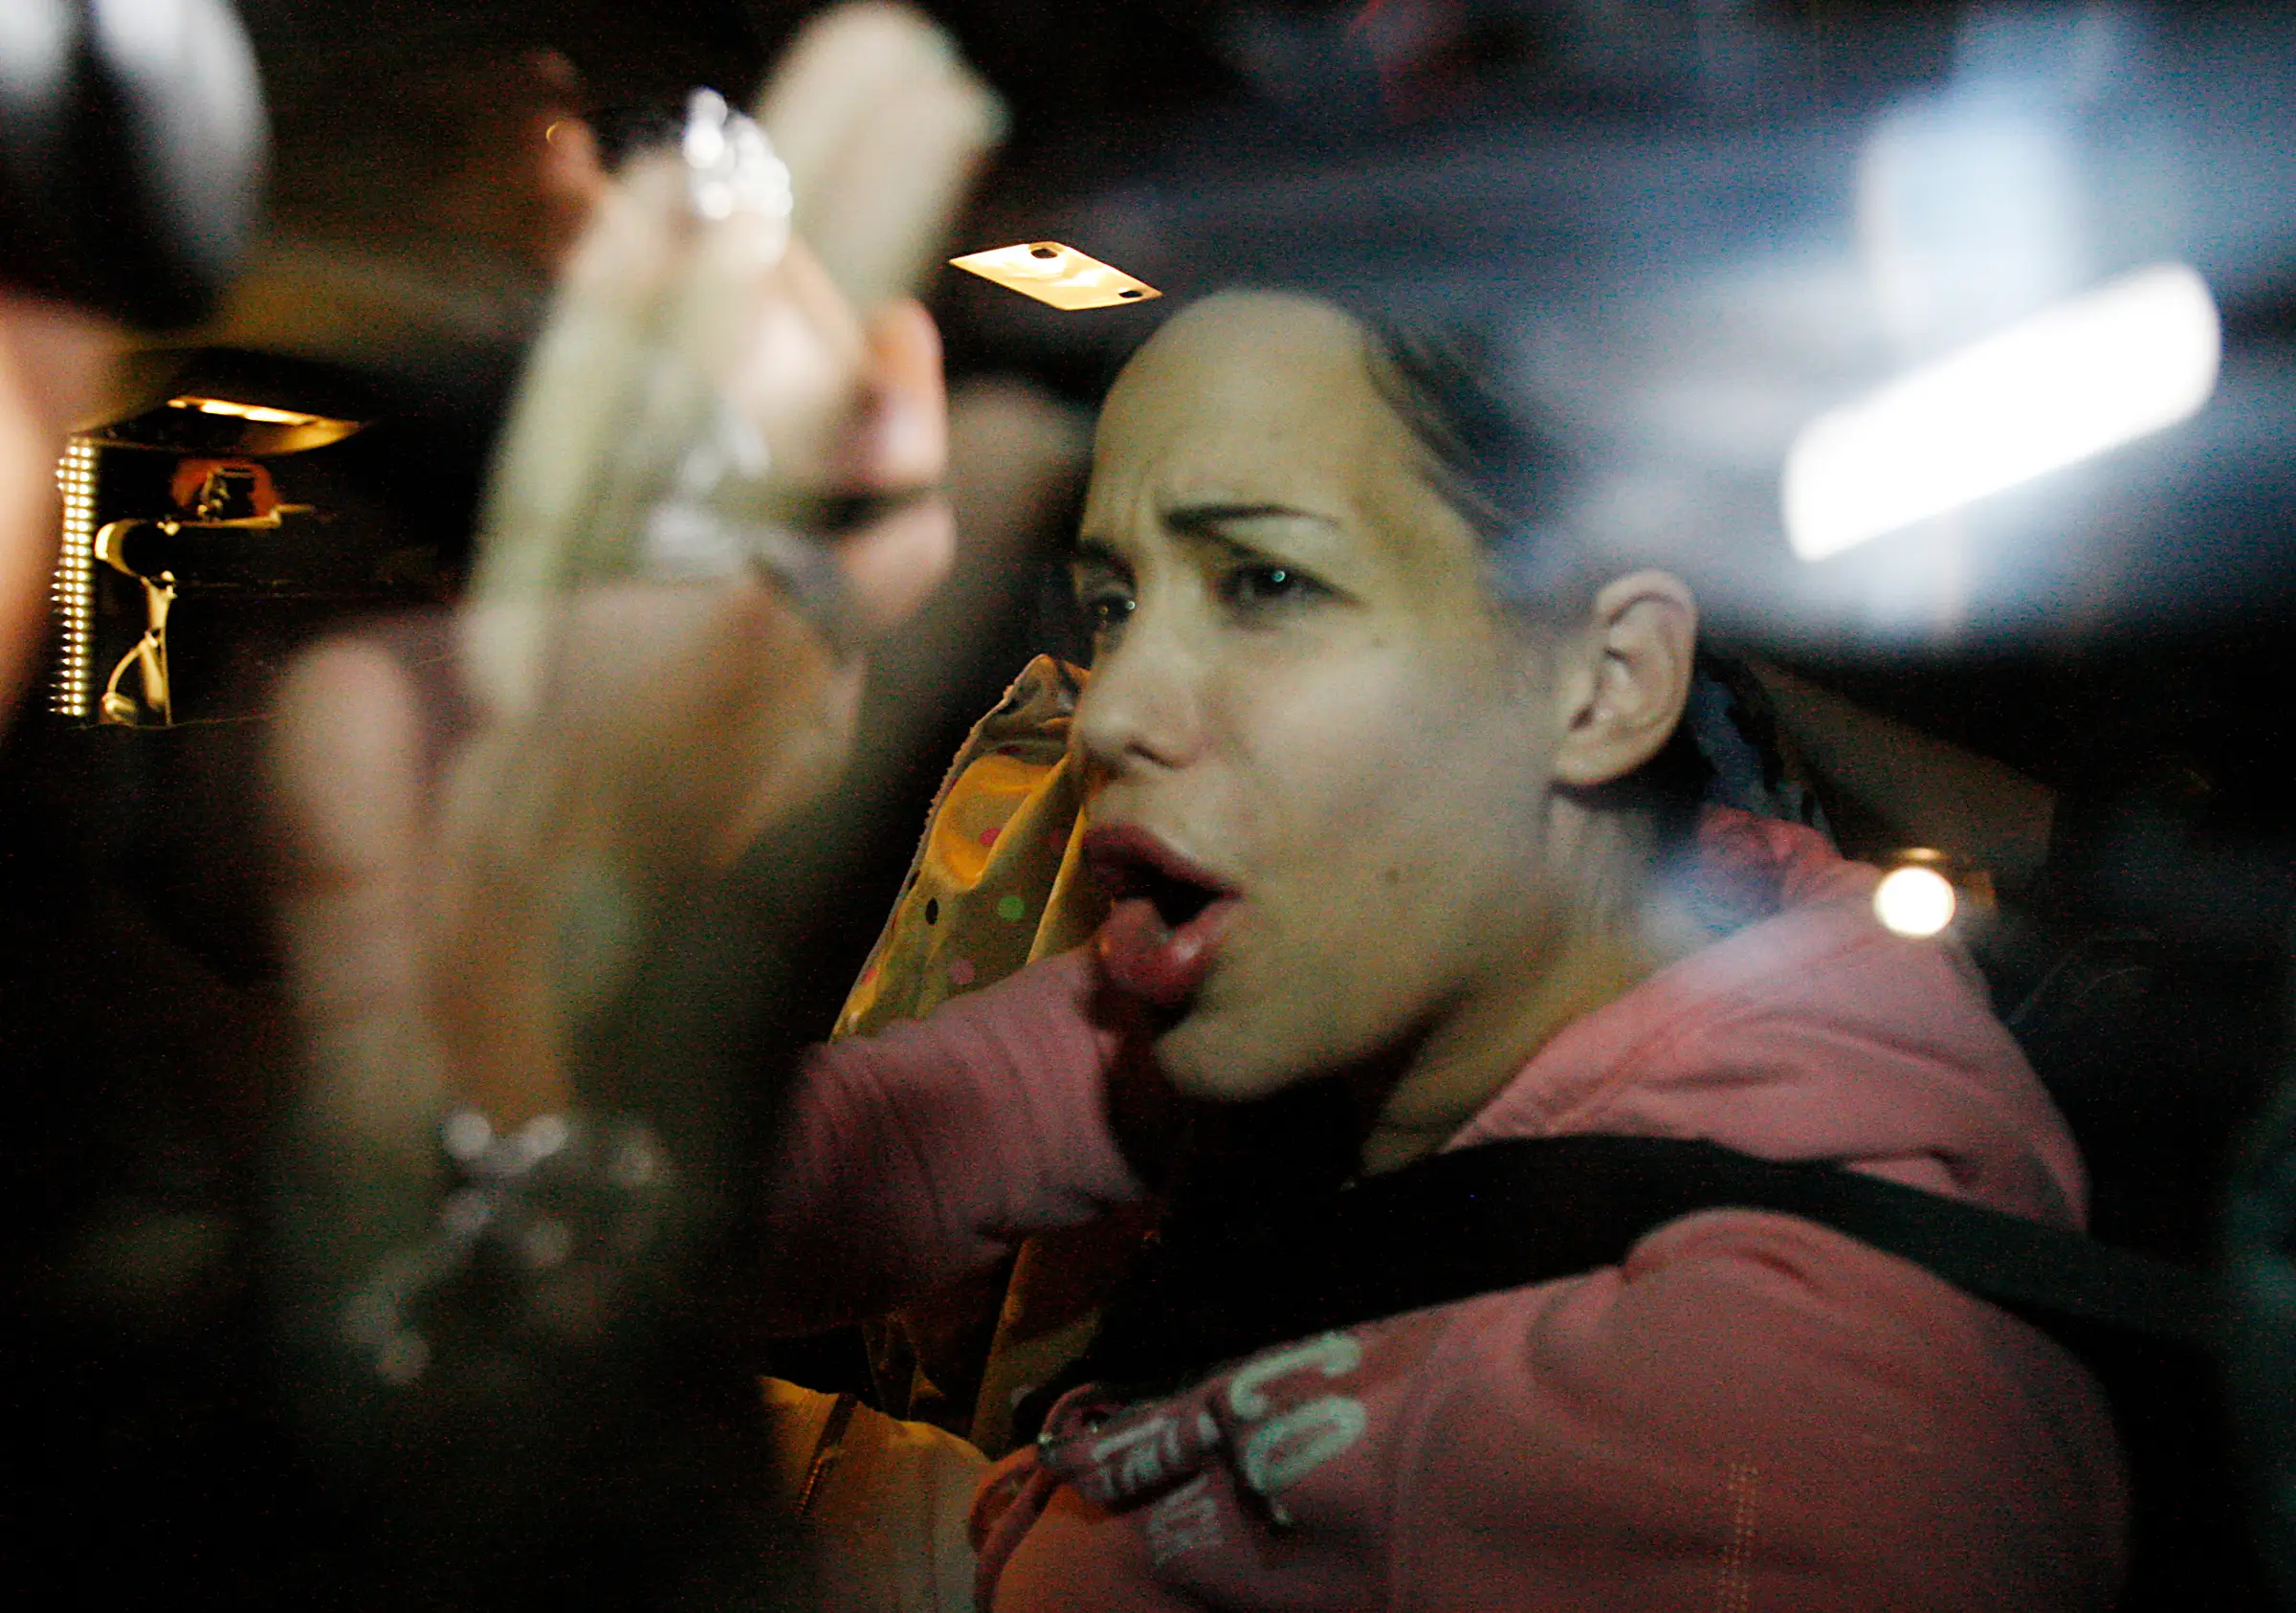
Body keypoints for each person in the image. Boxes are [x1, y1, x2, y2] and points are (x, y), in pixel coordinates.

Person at [740, 289, 2128, 1611]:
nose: (1111, 713)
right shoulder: (1396, 951)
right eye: (1115, 603)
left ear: (1605, 685)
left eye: (1266, 581)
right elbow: (872, 1153)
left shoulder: (1783, 1414)